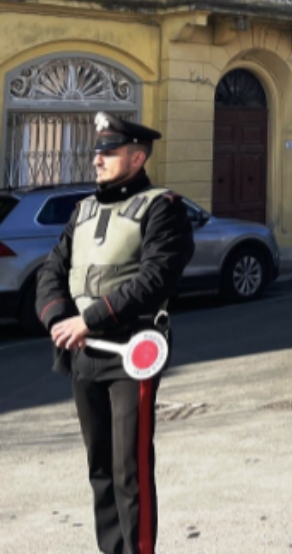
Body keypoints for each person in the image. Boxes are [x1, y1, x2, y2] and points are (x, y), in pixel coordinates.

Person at [36, 112, 194, 554]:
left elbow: (155, 278)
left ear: (137, 156)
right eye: (97, 151)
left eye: (109, 151)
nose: (98, 159)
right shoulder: (83, 210)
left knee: (131, 469)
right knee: (99, 466)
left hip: (131, 352)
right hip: (83, 353)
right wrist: (57, 320)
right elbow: (52, 271)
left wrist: (90, 319)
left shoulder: (164, 208)